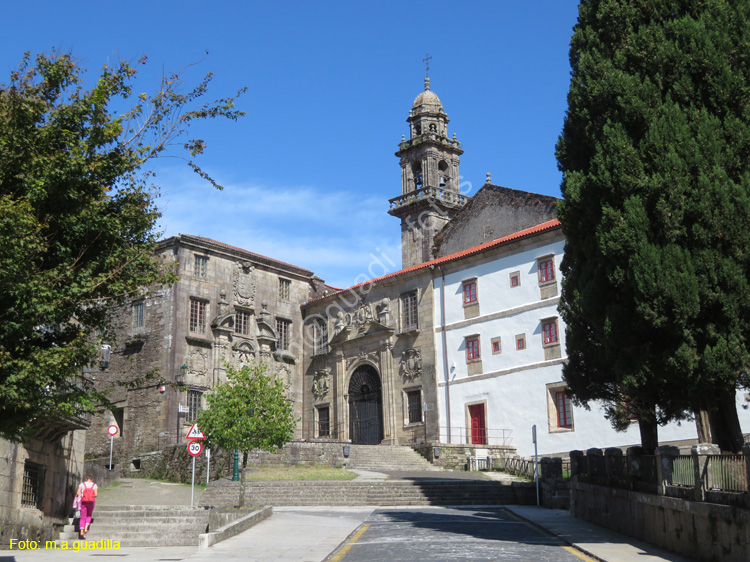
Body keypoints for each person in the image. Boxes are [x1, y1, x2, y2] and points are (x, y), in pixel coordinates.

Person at [75, 475, 98, 539]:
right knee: (89, 515)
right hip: (91, 502)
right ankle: (86, 528)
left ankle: (81, 531)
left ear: (86, 479)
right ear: (92, 479)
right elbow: (96, 494)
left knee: (82, 517)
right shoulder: (94, 485)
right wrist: (91, 496)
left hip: (83, 502)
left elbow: (77, 493)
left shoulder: (82, 484)